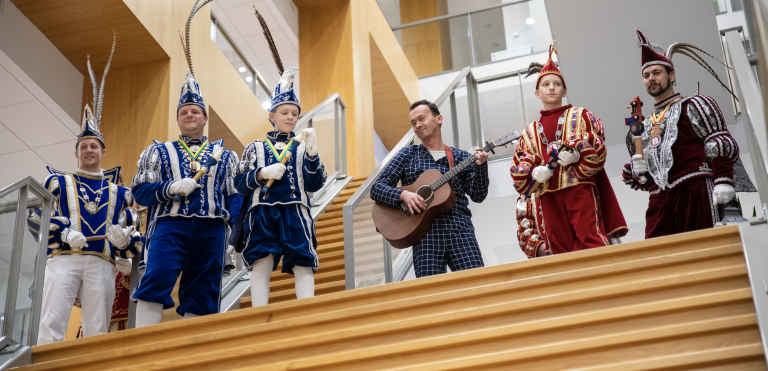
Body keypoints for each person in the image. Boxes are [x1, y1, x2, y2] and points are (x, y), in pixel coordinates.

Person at [131, 1, 242, 326]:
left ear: (205, 118)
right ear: (178, 119)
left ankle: (197, 351)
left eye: (195, 111)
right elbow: (141, 192)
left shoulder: (226, 154)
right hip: (170, 224)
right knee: (157, 278)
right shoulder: (158, 151)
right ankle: (143, 345)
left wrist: (235, 235)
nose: (189, 115)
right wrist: (169, 187)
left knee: (205, 290)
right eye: (184, 112)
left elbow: (234, 196)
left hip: (212, 228)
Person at [27, 35, 142, 344]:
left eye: (94, 146)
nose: (89, 150)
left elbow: (133, 227)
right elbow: (35, 214)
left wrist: (122, 244)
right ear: (76, 153)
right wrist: (63, 232)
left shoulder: (121, 192)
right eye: (84, 146)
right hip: (63, 257)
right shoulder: (57, 182)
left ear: (103, 152)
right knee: (51, 321)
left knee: (97, 329)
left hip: (102, 263)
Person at [622, 29, 755, 238]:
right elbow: (647, 179)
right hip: (659, 200)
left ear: (672, 75)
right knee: (658, 258)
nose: (651, 79)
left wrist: (723, 179)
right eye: (646, 75)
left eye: (657, 73)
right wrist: (638, 170)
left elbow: (719, 141)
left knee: (705, 249)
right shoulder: (643, 126)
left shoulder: (694, 105)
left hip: (695, 190)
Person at [510, 41, 627, 255]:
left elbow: (597, 143)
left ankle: (605, 282)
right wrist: (534, 172)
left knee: (590, 237)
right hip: (547, 194)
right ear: (537, 93)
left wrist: (578, 155)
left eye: (556, 84)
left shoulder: (581, 115)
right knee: (559, 246)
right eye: (546, 84)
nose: (552, 87)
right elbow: (520, 164)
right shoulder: (528, 131)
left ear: (565, 91)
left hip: (579, 186)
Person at [234, 65, 326, 307]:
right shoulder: (254, 147)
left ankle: (307, 314)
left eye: (294, 114)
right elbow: (239, 184)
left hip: (296, 209)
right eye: (284, 112)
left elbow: (315, 183)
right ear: (271, 116)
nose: (290, 118)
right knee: (261, 261)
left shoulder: (304, 145)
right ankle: (259, 315)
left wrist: (313, 153)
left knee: (303, 260)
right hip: (262, 210)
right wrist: (262, 173)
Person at [370, 99, 489, 278]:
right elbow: (377, 188)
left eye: (422, 119)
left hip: (460, 230)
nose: (417, 125)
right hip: (424, 235)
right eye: (413, 122)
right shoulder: (407, 154)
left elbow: (478, 195)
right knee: (430, 295)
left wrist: (481, 167)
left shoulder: (461, 157)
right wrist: (403, 195)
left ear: (439, 119)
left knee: (477, 285)